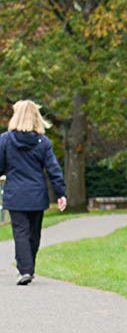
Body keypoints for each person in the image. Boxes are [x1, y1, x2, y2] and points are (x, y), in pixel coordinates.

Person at [0, 100, 67, 285]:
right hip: (37, 194)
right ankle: (28, 269)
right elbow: (53, 169)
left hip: (15, 194)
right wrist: (61, 192)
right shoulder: (43, 142)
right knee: (34, 234)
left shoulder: (5, 140)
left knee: (20, 232)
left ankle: (25, 270)